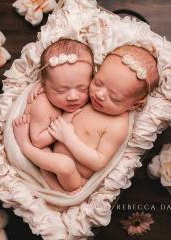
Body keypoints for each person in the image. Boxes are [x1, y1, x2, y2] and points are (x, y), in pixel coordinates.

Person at [13, 45, 159, 194]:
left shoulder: (118, 125)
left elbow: (99, 162)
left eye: (114, 98)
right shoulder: (91, 97)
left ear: (134, 105)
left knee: (65, 164)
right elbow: (71, 84)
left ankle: (26, 147)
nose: (100, 94)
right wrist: (49, 86)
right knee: (44, 111)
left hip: (73, 177)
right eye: (97, 83)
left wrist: (68, 138)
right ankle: (46, 176)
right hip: (49, 155)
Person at [15, 38, 95, 193]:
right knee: (57, 161)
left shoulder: (85, 93)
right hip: (42, 148)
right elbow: (38, 141)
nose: (73, 96)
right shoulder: (42, 104)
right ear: (44, 85)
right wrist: (63, 121)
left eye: (82, 89)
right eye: (61, 90)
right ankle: (55, 187)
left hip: (72, 155)